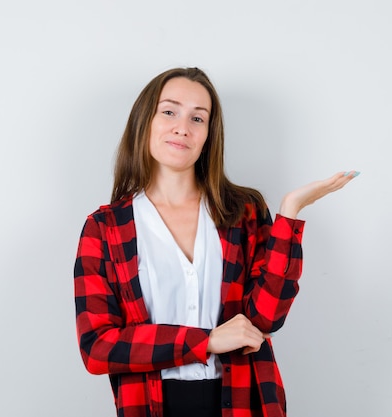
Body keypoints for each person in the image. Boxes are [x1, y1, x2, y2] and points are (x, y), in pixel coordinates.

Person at [74, 67, 358, 417]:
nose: (183, 127)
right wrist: (205, 341)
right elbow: (97, 348)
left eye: (198, 118)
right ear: (144, 121)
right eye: (169, 111)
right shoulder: (105, 229)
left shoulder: (245, 211)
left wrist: (290, 213)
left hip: (243, 404)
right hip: (149, 406)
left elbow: (264, 320)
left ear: (209, 134)